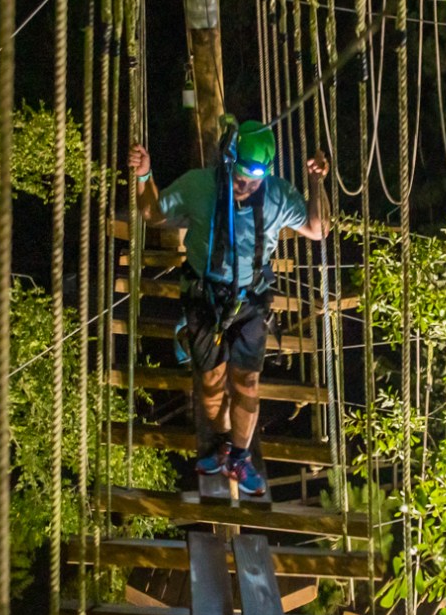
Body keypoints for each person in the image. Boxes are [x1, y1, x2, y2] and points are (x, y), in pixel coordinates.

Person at [128, 120, 329, 498]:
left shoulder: (277, 196)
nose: (246, 187)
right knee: (210, 381)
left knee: (247, 382)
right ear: (226, 162)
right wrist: (144, 175)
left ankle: (240, 455)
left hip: (251, 300)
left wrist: (316, 182)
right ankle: (221, 441)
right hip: (204, 298)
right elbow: (153, 214)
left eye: (254, 181)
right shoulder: (199, 186)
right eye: (240, 177)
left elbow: (318, 229)